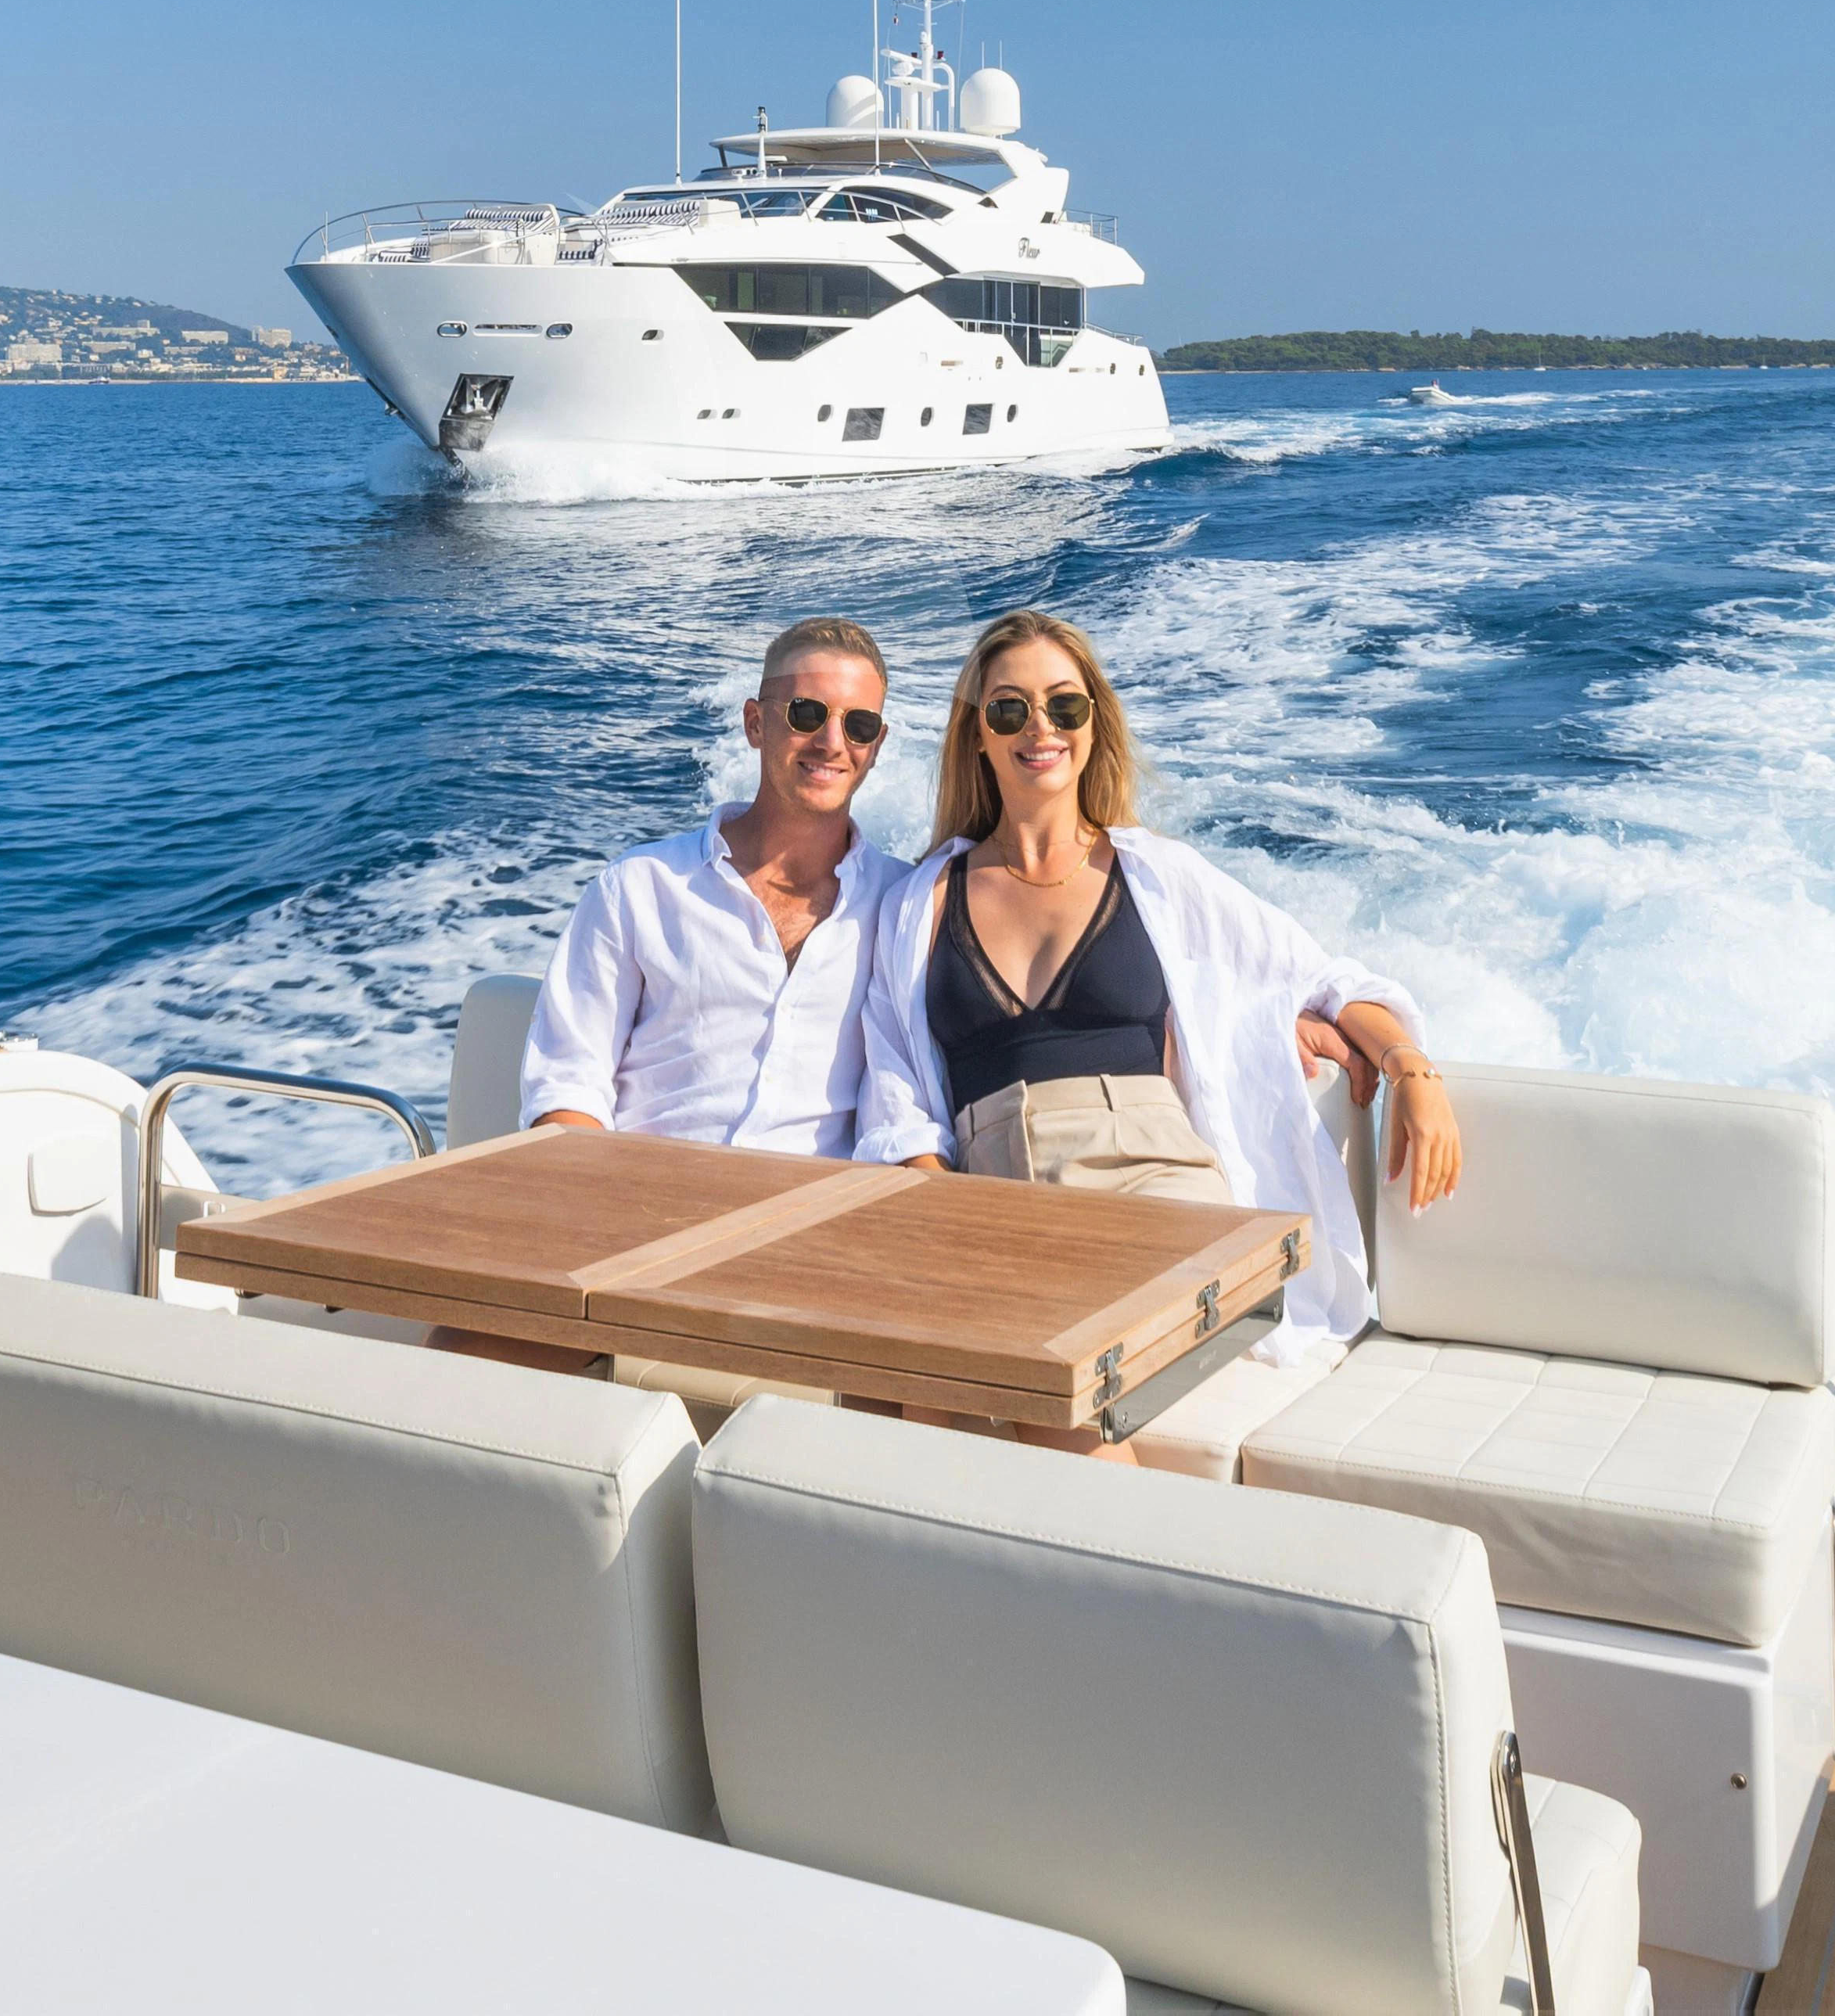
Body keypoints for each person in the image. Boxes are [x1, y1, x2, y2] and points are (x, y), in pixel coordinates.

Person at [853, 605, 1459, 1449]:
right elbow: (898, 1100)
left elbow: (1321, 977)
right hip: (995, 1197)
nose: (1040, 728)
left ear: (1094, 724)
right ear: (977, 733)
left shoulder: (1158, 876)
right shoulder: (919, 900)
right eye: (1009, 708)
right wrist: (956, 1227)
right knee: (922, 1386)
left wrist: (1410, 1066)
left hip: (1155, 1185)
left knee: (1064, 1387)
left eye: (1065, 705)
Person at [446, 617, 904, 1375]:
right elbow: (568, 1085)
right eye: (805, 712)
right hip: (633, 1226)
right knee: (457, 1367)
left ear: (877, 745)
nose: (832, 740)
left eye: (858, 723)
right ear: (756, 722)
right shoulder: (640, 886)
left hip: (813, 1248)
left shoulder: (904, 904)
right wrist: (612, 1235)